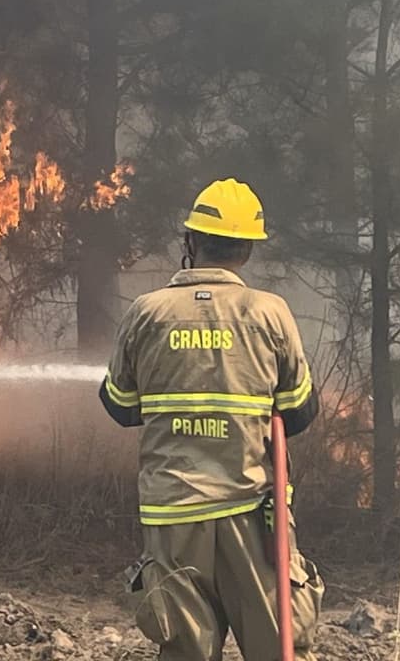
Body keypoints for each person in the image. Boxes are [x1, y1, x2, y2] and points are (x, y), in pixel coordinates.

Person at [99, 178, 325, 661]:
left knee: (185, 652)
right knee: (276, 647)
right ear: (247, 249)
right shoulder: (270, 314)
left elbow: (119, 405)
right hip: (252, 515)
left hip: (174, 518)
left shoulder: (147, 314)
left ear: (191, 242)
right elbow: (300, 410)